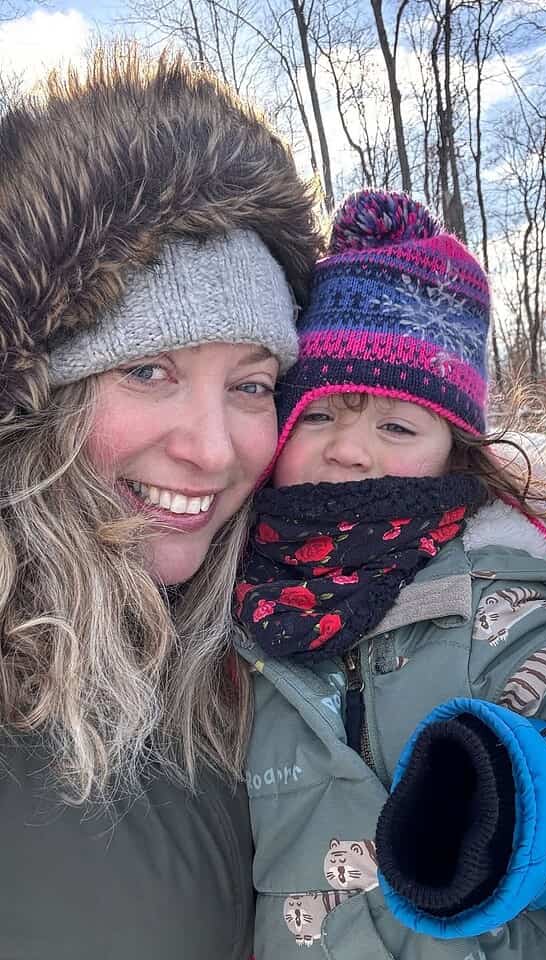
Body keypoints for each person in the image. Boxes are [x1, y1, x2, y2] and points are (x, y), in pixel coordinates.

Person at [234, 190, 546, 959]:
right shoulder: (236, 626)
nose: (349, 450)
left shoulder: (509, 606)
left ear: (453, 450)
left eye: (396, 425)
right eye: (321, 414)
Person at [0, 48, 321, 959]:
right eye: (149, 371)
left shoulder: (274, 639)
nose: (212, 448)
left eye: (252, 386)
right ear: (37, 399)